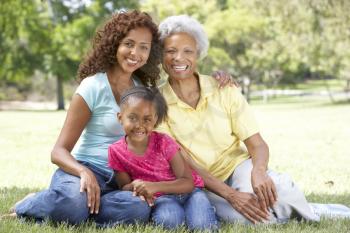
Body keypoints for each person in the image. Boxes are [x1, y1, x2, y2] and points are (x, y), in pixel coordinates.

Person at [7, 10, 232, 225]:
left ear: (150, 53)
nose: (135, 53)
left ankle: (81, 209)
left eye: (143, 47)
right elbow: (58, 152)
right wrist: (84, 172)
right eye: (129, 44)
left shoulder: (143, 88)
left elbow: (179, 72)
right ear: (115, 44)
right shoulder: (92, 86)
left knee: (139, 208)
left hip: (121, 180)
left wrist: (217, 77)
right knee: (72, 204)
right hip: (85, 171)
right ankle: (31, 204)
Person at [156, 14, 337, 224]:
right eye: (171, 51)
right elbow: (183, 163)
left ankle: (306, 210)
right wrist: (231, 195)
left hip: (238, 167)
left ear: (198, 54)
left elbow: (257, 143)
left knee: (280, 192)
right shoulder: (157, 103)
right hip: (201, 182)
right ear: (161, 55)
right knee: (251, 219)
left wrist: (259, 172)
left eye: (188, 51)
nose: (179, 58)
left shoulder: (223, 88)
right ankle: (281, 216)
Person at [108, 86, 218, 230]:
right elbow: (124, 187)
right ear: (120, 118)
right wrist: (135, 186)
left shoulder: (164, 142)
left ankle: (207, 211)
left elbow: (188, 183)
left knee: (202, 226)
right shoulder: (116, 151)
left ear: (155, 120)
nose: (139, 125)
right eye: (132, 118)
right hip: (162, 199)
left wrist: (154, 186)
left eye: (147, 119)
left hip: (190, 194)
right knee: (169, 222)